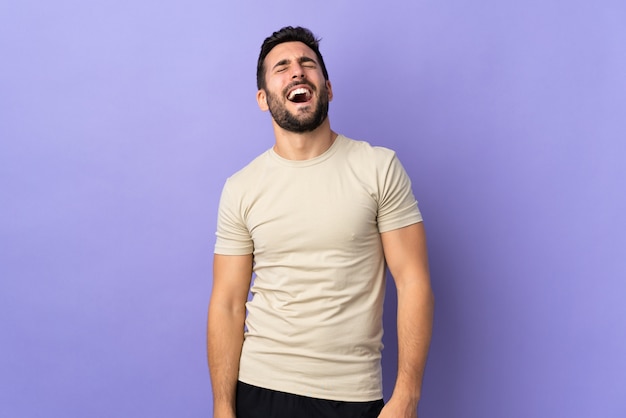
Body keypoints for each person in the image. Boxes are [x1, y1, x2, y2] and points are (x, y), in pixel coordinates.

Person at [207, 26, 434, 418]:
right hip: (261, 388)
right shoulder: (241, 187)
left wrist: (407, 396)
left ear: (327, 87)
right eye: (282, 67)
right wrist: (223, 407)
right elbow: (227, 303)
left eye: (306, 64)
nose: (297, 72)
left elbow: (413, 281)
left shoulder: (378, 168)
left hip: (353, 394)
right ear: (263, 98)